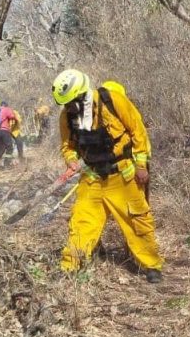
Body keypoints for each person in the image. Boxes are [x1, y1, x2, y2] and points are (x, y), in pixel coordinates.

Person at [51, 68, 163, 282]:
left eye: (72, 103)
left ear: (82, 94)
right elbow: (67, 146)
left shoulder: (113, 101)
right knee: (82, 222)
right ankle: (70, 266)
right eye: (66, 105)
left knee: (137, 221)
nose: (70, 108)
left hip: (123, 176)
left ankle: (151, 265)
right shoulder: (67, 116)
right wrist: (71, 159)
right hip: (92, 177)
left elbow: (138, 132)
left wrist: (141, 165)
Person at [0, 99, 18, 167]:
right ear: (6, 105)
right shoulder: (6, 109)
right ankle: (7, 164)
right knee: (9, 147)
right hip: (4, 130)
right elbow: (12, 117)